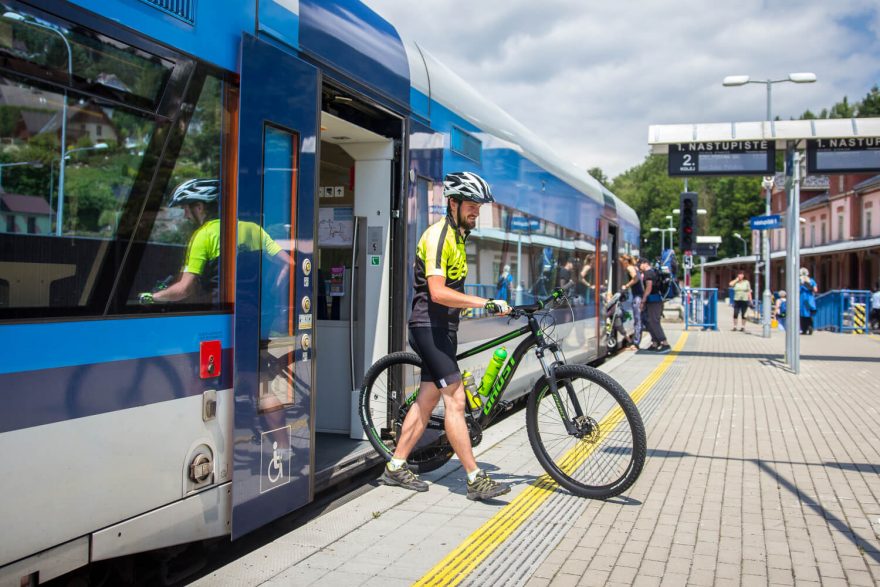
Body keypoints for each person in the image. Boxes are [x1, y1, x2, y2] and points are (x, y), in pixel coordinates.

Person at [381, 171, 512, 501]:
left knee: (427, 400)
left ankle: (396, 466)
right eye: (471, 205)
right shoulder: (438, 236)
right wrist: (485, 302)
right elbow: (437, 293)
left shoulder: (459, 237)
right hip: (429, 327)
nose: (476, 212)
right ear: (452, 204)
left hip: (443, 330)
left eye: (479, 207)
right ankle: (474, 478)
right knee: (454, 398)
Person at [138, 179, 291, 304]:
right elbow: (289, 263)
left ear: (199, 207)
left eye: (185, 209)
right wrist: (272, 291)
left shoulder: (203, 235)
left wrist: (153, 297)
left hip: (218, 311)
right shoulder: (254, 229)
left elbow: (185, 289)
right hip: (255, 313)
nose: (185, 216)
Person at [637, 257, 670, 353]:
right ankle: (655, 343)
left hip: (653, 301)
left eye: (639, 265)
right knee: (650, 321)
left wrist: (643, 301)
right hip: (656, 300)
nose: (639, 267)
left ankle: (665, 343)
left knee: (654, 321)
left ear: (645, 263)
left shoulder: (648, 273)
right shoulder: (653, 272)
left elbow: (648, 288)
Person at [620, 254, 642, 350]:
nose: (621, 265)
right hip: (638, 296)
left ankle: (635, 343)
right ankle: (635, 342)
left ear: (625, 261)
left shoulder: (630, 268)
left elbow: (635, 278)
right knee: (638, 320)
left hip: (637, 296)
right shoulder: (634, 267)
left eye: (622, 262)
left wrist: (626, 286)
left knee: (637, 320)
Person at [799, 267, 818, 334]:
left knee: (802, 315)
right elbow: (816, 290)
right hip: (810, 299)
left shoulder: (799, 281)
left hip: (802, 299)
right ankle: (810, 328)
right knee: (809, 314)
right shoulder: (811, 280)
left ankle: (804, 330)